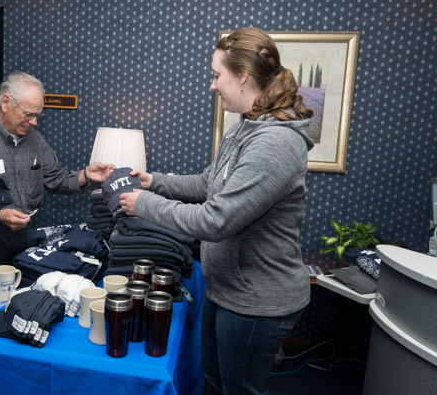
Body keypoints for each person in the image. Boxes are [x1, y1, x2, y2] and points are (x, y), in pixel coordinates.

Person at [119, 27, 314, 395]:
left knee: (237, 390)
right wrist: (152, 181)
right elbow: (208, 184)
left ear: (243, 77)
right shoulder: (245, 127)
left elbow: (216, 219)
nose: (211, 85)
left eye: (216, 75)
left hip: (257, 301)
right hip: (226, 289)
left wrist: (142, 204)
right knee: (213, 382)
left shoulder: (276, 143)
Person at [0, 71, 115, 318]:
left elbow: (56, 179)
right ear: (5, 103)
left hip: (22, 244)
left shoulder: (35, 141)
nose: (34, 122)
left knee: (17, 309)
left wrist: (87, 174)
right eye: (29, 114)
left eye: (38, 115)